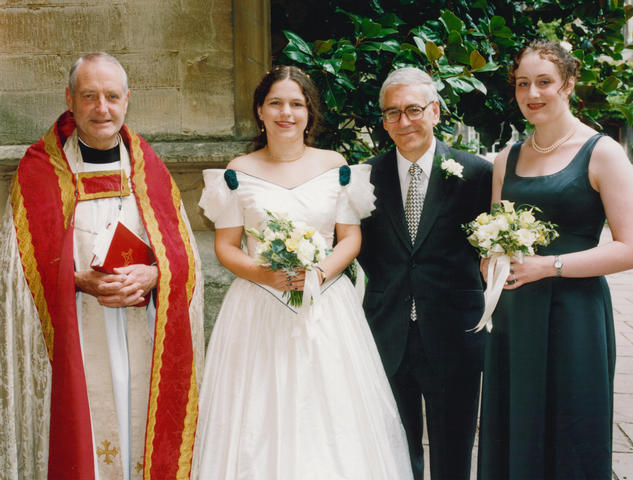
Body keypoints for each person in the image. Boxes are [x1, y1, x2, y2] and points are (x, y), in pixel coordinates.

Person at [192, 65, 413, 479]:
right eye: (275, 103)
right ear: (260, 110)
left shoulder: (336, 166)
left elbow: (349, 238)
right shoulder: (237, 172)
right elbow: (225, 246)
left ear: (309, 112)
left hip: (326, 307)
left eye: (296, 104)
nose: (285, 113)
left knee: (330, 414)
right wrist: (266, 274)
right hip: (258, 308)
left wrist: (319, 272)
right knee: (259, 414)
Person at [0, 52, 205, 480]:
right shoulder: (38, 173)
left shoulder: (151, 173)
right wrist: (75, 281)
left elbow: (186, 259)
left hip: (142, 328)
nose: (102, 108)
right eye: (89, 96)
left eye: (111, 96)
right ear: (69, 99)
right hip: (75, 331)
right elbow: (16, 271)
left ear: (127, 100)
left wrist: (155, 275)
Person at [477, 40, 633, 479]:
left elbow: (629, 247)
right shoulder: (507, 158)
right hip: (514, 314)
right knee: (515, 420)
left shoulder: (602, 153)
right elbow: (494, 230)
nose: (533, 93)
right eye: (523, 83)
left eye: (544, 81)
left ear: (568, 83)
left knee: (572, 426)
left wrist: (550, 266)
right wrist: (491, 258)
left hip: (576, 314)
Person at [357, 67, 492, 480]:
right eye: (392, 113)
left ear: (434, 111)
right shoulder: (364, 176)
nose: (404, 121)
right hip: (386, 333)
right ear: (383, 121)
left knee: (453, 452)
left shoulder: (478, 174)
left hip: (455, 333)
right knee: (396, 449)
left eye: (414, 109)